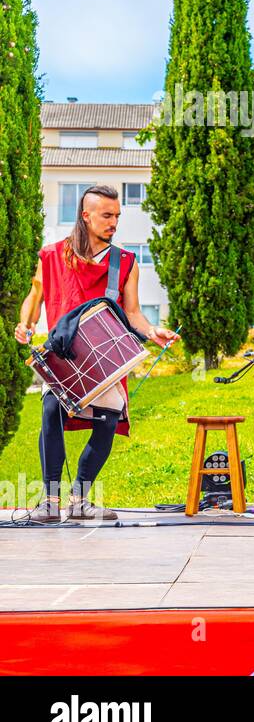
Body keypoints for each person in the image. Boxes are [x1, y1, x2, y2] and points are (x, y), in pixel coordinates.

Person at [13, 185, 179, 522]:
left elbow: (132, 313)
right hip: (63, 357)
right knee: (51, 412)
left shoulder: (125, 263)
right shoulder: (51, 256)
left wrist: (151, 331)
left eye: (117, 215)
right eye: (107, 215)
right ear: (85, 216)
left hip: (106, 361)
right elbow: (35, 296)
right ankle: (49, 500)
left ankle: (80, 499)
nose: (114, 222)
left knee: (109, 419)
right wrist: (25, 324)